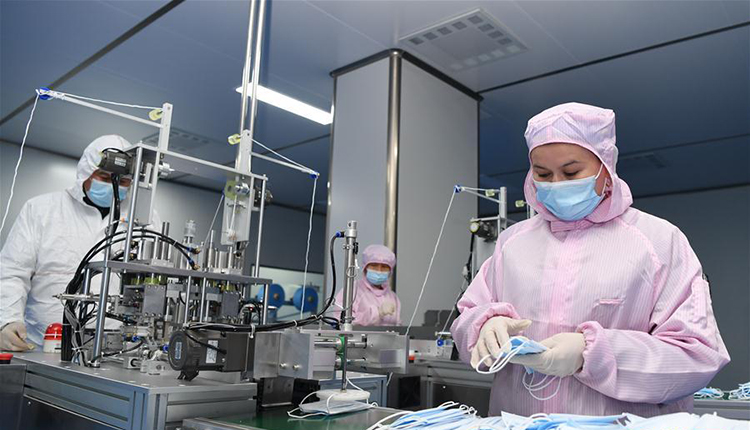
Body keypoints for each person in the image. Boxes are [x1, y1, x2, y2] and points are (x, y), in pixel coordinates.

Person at [451, 103, 729, 417]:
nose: (556, 184)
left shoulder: (658, 242)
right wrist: (483, 326)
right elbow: (467, 321)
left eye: (571, 173)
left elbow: (696, 355)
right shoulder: (512, 243)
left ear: (605, 168)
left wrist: (592, 353)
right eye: (543, 174)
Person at [0, 135, 135, 351]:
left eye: (123, 181)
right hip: (43, 343)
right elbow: (13, 272)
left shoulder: (142, 219)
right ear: (85, 172)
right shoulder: (42, 209)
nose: (114, 185)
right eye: (104, 177)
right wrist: (7, 320)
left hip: (116, 350)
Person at [332, 244, 401, 326]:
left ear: (390, 270)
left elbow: (397, 326)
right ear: (365, 267)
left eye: (384, 266)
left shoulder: (392, 297)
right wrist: (378, 312)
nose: (379, 271)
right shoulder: (351, 291)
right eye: (374, 265)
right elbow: (343, 323)